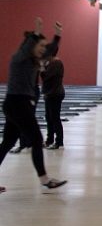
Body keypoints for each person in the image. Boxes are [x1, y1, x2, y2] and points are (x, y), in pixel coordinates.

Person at [0, 17, 69, 192]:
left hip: (17, 105)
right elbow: (27, 48)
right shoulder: (19, 58)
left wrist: (58, 35)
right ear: (30, 45)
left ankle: (45, 180)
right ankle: (45, 180)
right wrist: (37, 31)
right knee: (36, 139)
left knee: (7, 143)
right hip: (17, 104)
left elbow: (51, 50)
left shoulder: (33, 60)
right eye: (40, 46)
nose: (42, 50)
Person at [42, 54, 65, 150]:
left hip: (55, 94)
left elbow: (46, 77)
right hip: (51, 93)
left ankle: (59, 142)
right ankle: (49, 140)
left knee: (55, 118)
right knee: (49, 117)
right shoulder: (51, 62)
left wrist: (42, 68)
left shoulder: (56, 62)